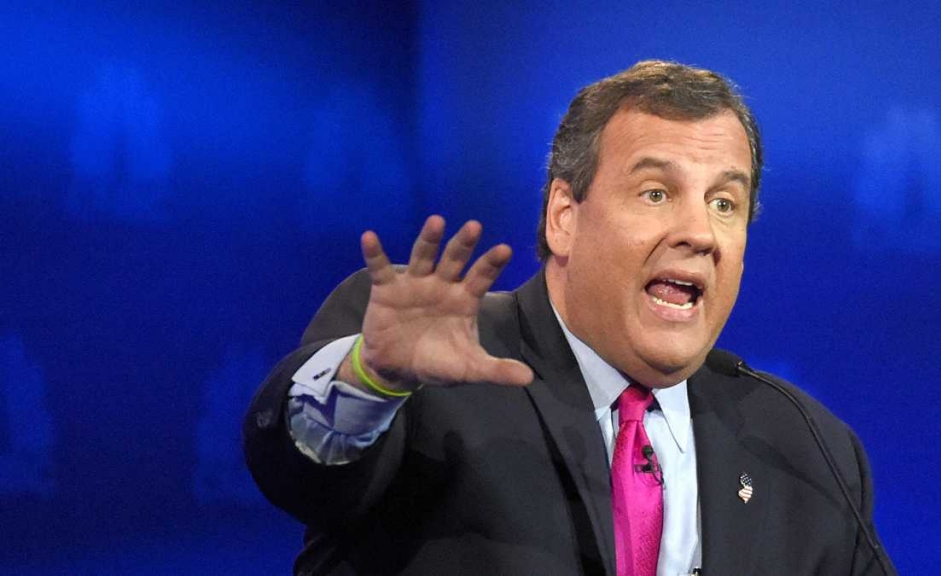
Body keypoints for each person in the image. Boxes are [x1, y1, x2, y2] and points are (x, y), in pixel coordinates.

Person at [244, 60, 897, 576]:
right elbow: (298, 470)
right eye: (656, 192)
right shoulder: (425, 361)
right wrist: (370, 380)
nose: (700, 231)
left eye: (726, 203)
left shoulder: (809, 448)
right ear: (565, 215)